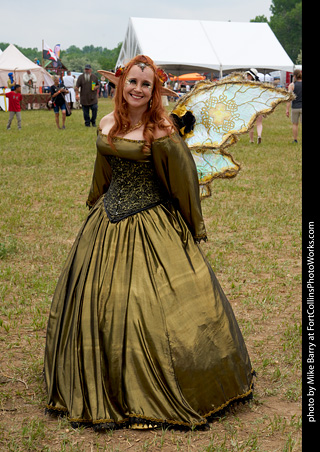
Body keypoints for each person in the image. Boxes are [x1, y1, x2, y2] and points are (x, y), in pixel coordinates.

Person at [44, 55, 254, 431]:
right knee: (96, 300)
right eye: (133, 82)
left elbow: (183, 179)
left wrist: (192, 226)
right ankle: (99, 379)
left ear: (155, 92)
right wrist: (96, 200)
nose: (138, 89)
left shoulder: (161, 131)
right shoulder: (108, 123)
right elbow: (103, 170)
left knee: (146, 303)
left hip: (151, 219)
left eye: (146, 84)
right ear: (120, 85)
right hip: (106, 223)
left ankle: (150, 387)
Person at [245, 68, 263, 144]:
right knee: (259, 123)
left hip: (250, 105)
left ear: (251, 76)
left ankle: (251, 140)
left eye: (248, 75)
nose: (247, 76)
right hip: (259, 105)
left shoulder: (247, 85)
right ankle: (259, 135)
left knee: (251, 123)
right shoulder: (260, 85)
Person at [286, 69, 302, 143]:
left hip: (295, 107)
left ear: (294, 76)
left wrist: (287, 109)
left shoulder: (292, 85)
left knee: (295, 124)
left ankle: (295, 139)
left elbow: (289, 99)